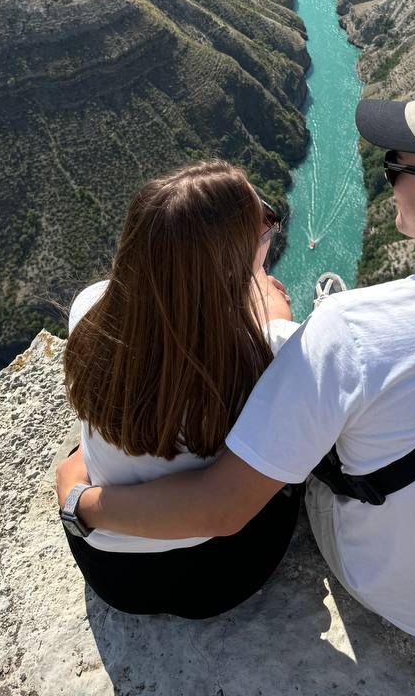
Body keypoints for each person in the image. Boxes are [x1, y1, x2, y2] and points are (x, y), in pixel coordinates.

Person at [57, 82, 415, 645]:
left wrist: (77, 496)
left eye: (397, 167)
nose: (388, 180)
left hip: (400, 594)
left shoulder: (346, 331)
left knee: (318, 436)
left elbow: (221, 505)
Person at [58, 159, 301, 618]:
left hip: (111, 572)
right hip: (224, 573)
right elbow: (229, 503)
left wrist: (76, 492)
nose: (271, 229)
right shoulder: (269, 352)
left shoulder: (91, 312)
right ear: (231, 262)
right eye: (265, 225)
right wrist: (276, 320)